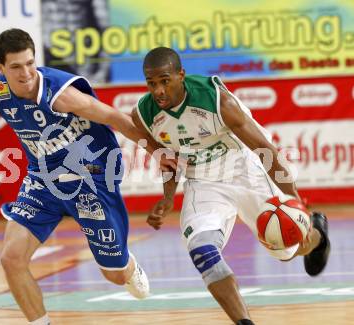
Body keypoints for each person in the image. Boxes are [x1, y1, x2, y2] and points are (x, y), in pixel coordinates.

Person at [0, 29, 173, 325]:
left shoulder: (59, 94)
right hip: (43, 181)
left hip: (90, 178)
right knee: (11, 259)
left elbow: (115, 118)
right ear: (0, 68)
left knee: (115, 275)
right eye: (15, 66)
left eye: (30, 63)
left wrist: (156, 151)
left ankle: (127, 265)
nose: (26, 73)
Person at [132, 47, 331, 325]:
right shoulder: (143, 114)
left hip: (245, 168)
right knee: (201, 248)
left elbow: (266, 151)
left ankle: (317, 235)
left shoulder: (217, 102)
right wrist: (168, 197)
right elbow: (168, 159)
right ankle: (244, 323)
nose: (158, 91)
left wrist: (297, 206)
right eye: (151, 83)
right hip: (202, 181)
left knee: (285, 249)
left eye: (165, 81)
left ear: (181, 75)